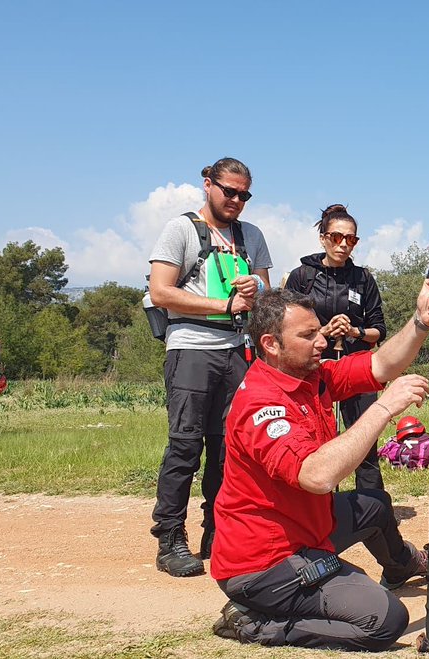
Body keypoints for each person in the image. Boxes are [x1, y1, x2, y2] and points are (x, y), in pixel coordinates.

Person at [209, 286, 429, 651]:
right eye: (307, 335)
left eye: (319, 330)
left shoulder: (310, 376)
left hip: (306, 526)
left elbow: (380, 364)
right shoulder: (262, 404)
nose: (321, 341)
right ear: (271, 344)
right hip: (266, 562)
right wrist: (384, 408)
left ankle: (401, 566)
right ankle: (256, 622)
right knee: (385, 622)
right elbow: (317, 476)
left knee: (374, 504)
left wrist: (419, 322)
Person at [147, 157, 273, 578]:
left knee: (227, 450)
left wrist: (256, 289)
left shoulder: (251, 235)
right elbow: (161, 292)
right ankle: (169, 539)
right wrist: (223, 304)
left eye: (244, 195)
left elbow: (266, 296)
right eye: (230, 191)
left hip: (237, 349)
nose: (237, 200)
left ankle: (218, 532)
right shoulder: (181, 229)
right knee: (185, 446)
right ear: (208, 184)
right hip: (191, 347)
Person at [284, 204, 387, 491]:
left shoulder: (363, 279)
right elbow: (286, 329)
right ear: (323, 238)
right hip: (313, 369)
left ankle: (372, 513)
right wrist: (323, 333)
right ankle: (318, 513)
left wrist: (355, 331)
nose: (343, 245)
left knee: (364, 443)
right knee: (317, 443)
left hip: (355, 365)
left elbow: (380, 329)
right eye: (336, 237)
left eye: (351, 239)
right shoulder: (302, 276)